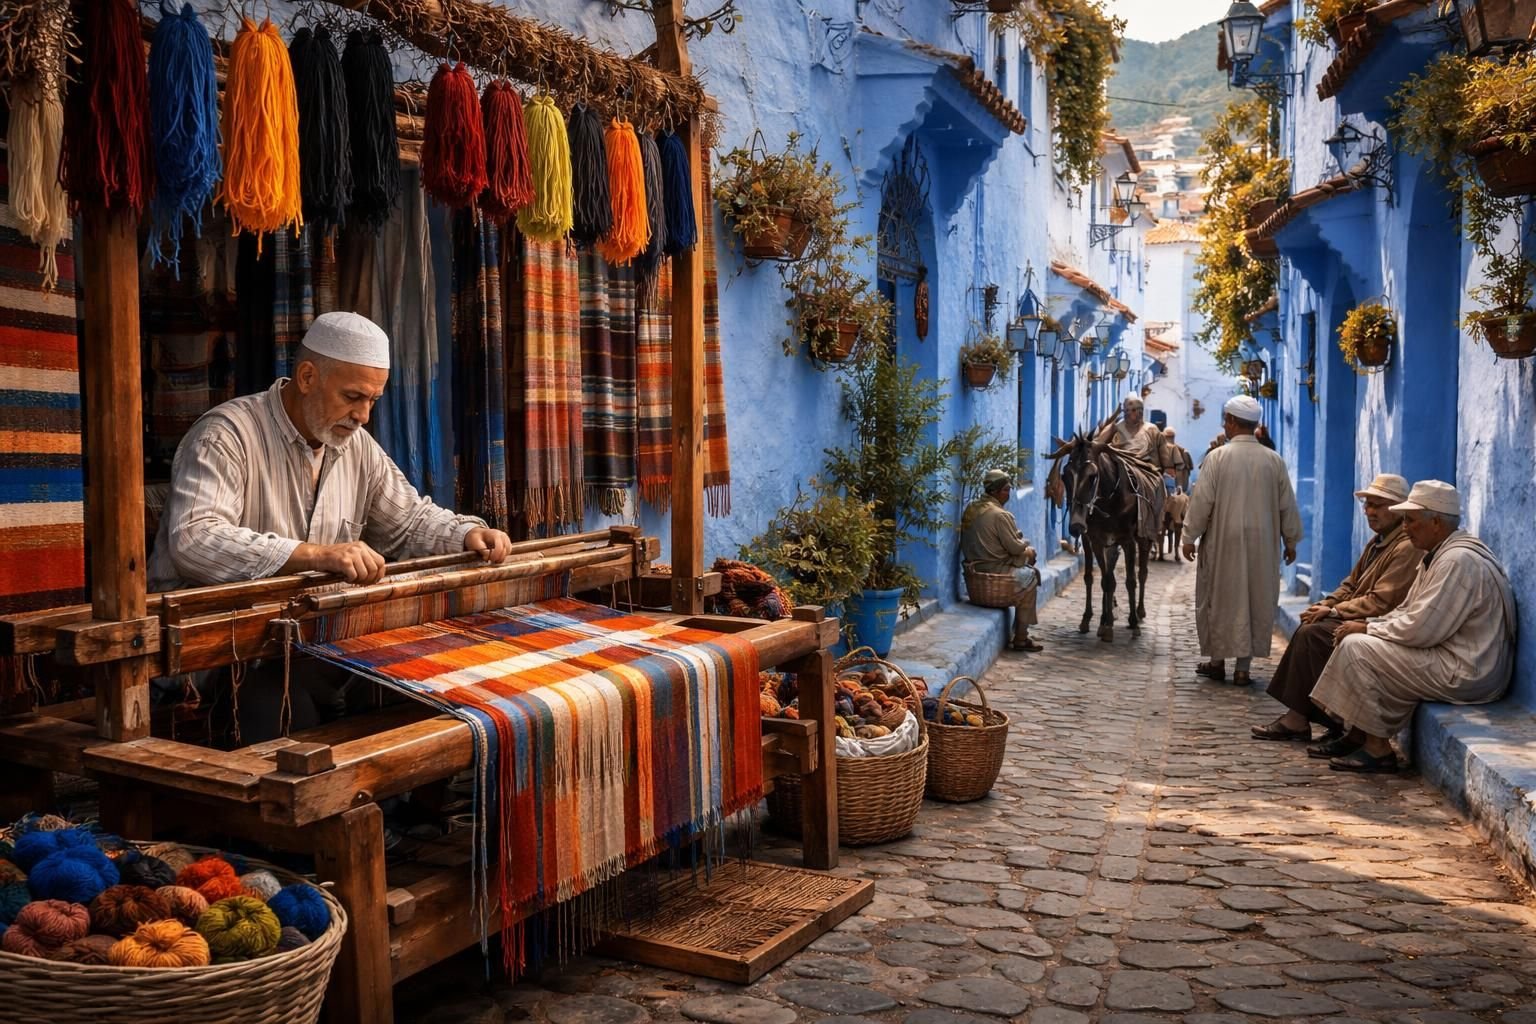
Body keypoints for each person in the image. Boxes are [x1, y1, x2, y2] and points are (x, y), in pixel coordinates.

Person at [149, 311, 516, 740]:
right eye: (353, 397)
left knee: (409, 689)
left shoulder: (355, 445)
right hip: (217, 657)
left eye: (372, 401)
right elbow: (195, 539)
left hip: (305, 644)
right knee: (284, 709)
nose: (363, 415)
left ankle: (399, 808)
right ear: (307, 377)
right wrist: (317, 555)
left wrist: (467, 534)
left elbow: (408, 520)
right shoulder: (226, 435)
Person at [1309, 481, 1517, 774]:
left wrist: (1368, 629)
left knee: (1359, 648)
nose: (1404, 528)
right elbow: (1410, 612)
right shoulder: (1438, 555)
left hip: (1469, 670)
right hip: (1451, 656)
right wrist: (1368, 624)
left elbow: (1422, 628)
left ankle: (1378, 749)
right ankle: (1358, 734)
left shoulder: (1457, 561)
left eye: (1410, 520)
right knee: (1354, 638)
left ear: (1435, 522)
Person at [1250, 474, 1419, 744]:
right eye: (1368, 506)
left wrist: (1334, 613)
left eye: (1378, 505)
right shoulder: (1378, 541)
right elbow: (1350, 584)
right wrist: (1327, 603)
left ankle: (1321, 718)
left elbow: (1383, 601)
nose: (1370, 512)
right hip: (1361, 614)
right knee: (1309, 628)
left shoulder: (1406, 547)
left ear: (1398, 509)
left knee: (1314, 635)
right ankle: (1300, 717)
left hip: (1379, 622)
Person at [1181, 395, 1302, 686]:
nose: (1225, 424)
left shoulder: (1217, 458)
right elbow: (1288, 504)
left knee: (1219, 598)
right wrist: (1291, 541)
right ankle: (1242, 670)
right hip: (1263, 544)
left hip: (1223, 542)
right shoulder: (1274, 461)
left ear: (1233, 422)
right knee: (1253, 599)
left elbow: (1201, 503)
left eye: (1226, 420)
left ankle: (1217, 662)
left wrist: (1188, 536)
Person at [962, 469, 1042, 652]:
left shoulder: (972, 508)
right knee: (1030, 575)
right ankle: (1021, 637)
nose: (1009, 493)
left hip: (976, 570)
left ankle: (1020, 633)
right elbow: (1015, 547)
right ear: (998, 492)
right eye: (1006, 489)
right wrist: (1026, 546)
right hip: (995, 572)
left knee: (1026, 557)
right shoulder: (1000, 515)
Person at [1159, 487, 1188, 561]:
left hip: (1167, 519)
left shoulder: (1171, 497)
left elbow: (1166, 508)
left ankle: (1161, 554)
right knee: (1177, 538)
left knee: (1161, 536)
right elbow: (1185, 511)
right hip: (1178, 520)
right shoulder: (1185, 498)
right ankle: (1177, 554)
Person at [1162, 427, 1192, 492]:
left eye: (1171, 437)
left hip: (1173, 482)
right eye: (1168, 437)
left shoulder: (1182, 451)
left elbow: (1182, 470)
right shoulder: (1158, 448)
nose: (1169, 439)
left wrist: (1180, 485)